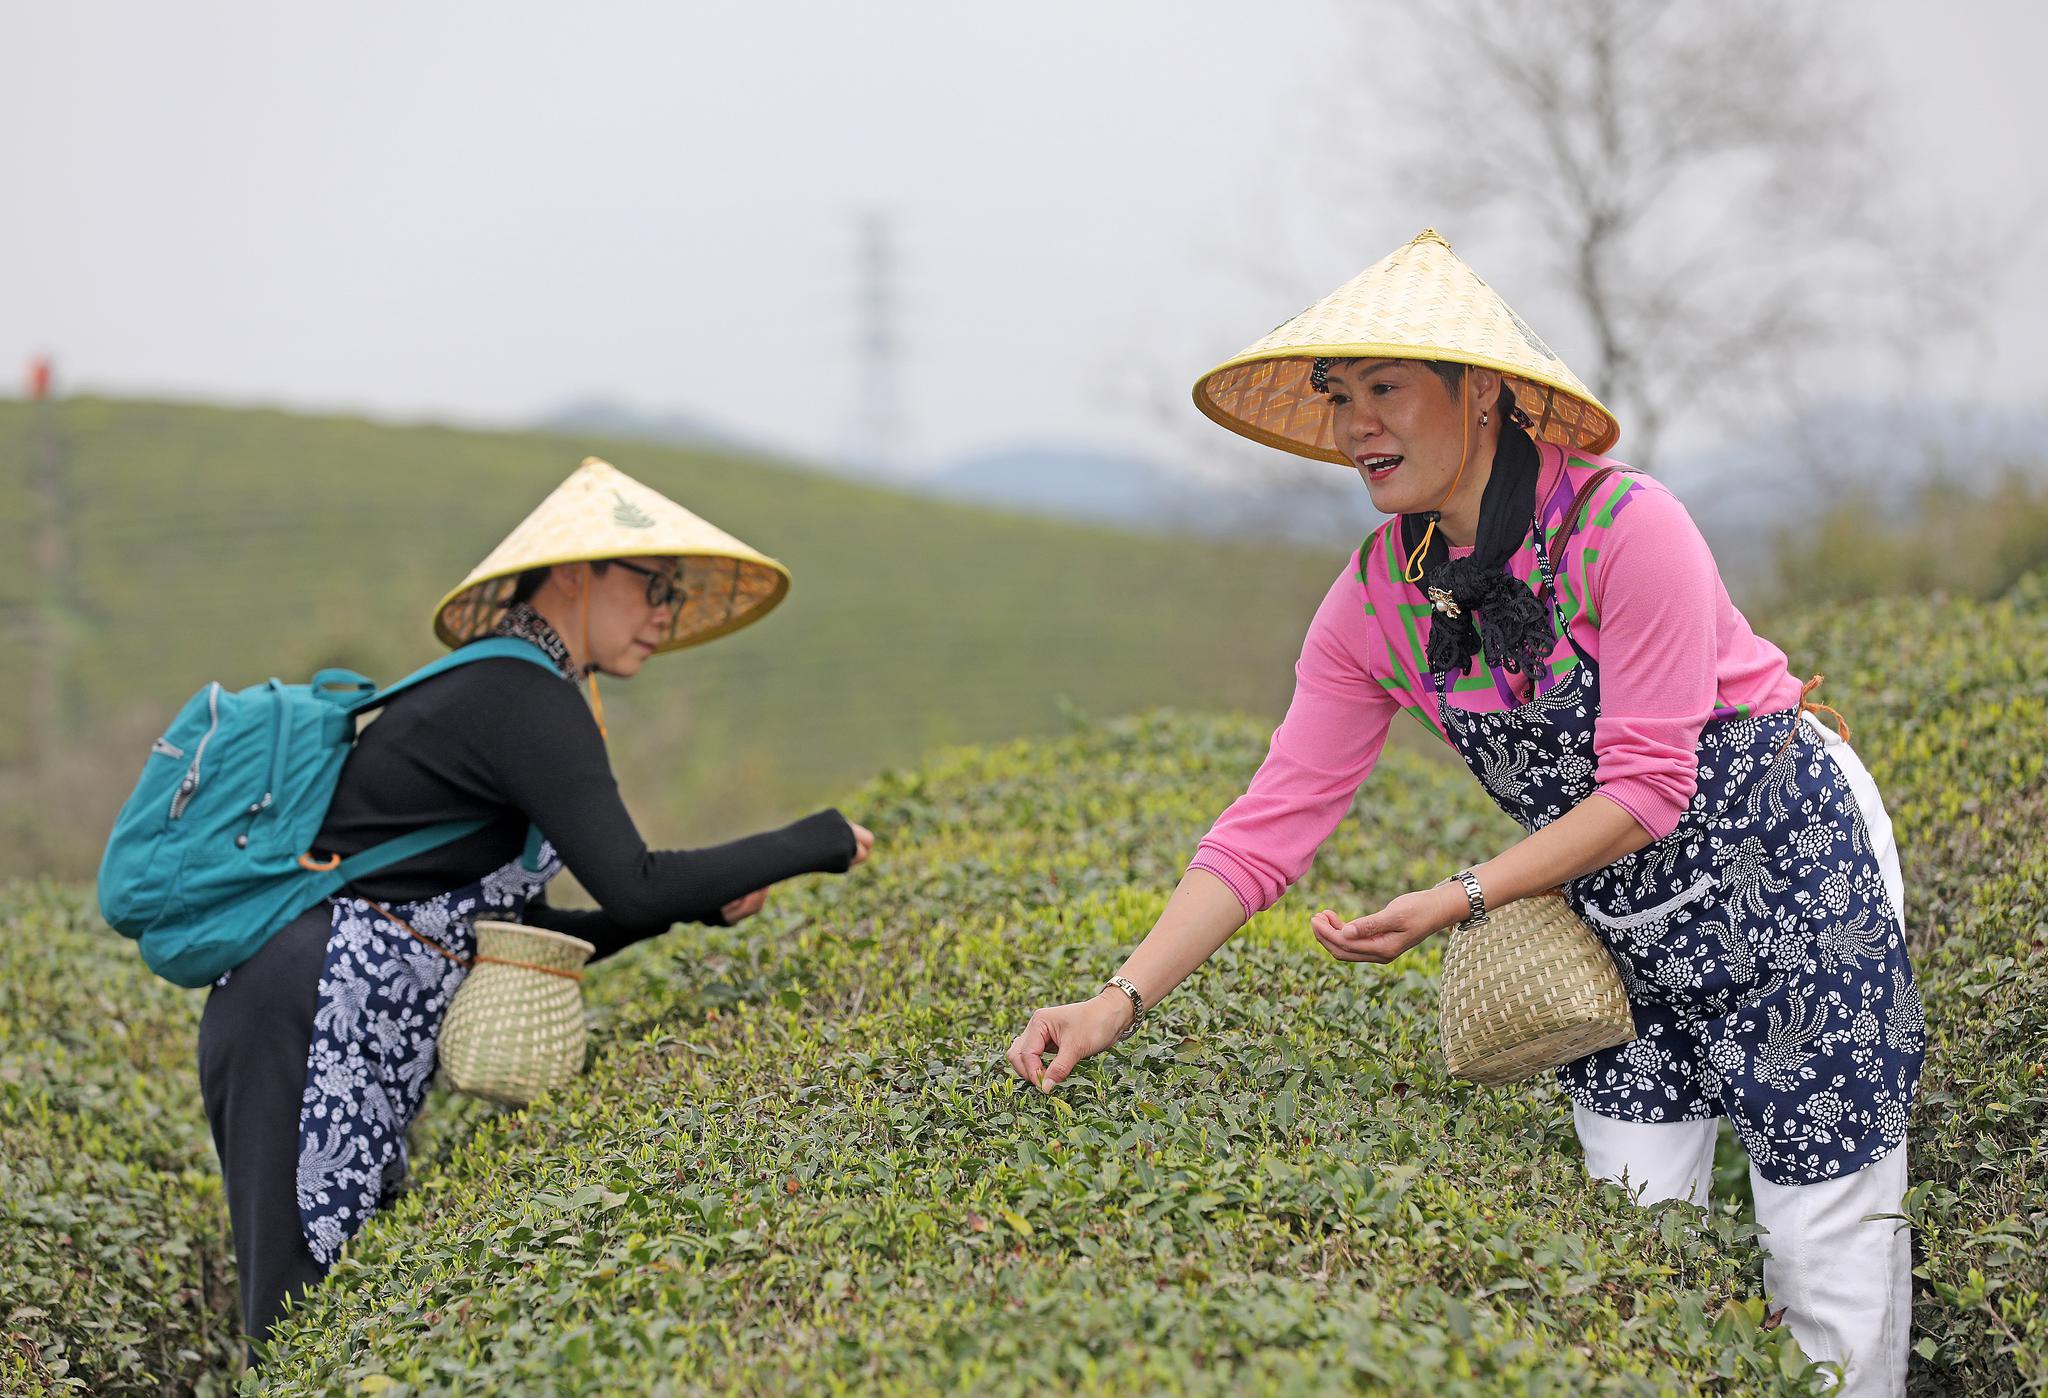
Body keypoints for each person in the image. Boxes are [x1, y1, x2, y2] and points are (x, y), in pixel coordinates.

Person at [1007, 231, 1922, 1394]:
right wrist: (1114, 1002)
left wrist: (1462, 896)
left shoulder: (1626, 531)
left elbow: (1647, 787)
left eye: (1386, 391)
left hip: (1790, 875)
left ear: (1480, 393)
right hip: (1616, 923)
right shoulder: (1372, 601)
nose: (1355, 429)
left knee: (1821, 1251)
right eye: (1340, 399)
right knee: (1629, 1236)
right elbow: (1267, 825)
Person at [198, 456, 876, 1353]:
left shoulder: (529, 691)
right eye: (654, 587)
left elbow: (537, 937)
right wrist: (817, 841)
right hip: (304, 1019)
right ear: (573, 572)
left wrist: (702, 908)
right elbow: (633, 880)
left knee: (336, 1312)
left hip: (343, 1026)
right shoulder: (518, 694)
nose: (665, 615)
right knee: (298, 1323)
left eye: (674, 595)